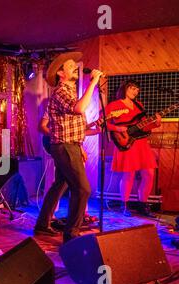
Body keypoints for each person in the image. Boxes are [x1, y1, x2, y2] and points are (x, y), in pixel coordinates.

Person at [33, 51, 103, 243]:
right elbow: (78, 109)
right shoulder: (61, 92)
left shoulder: (71, 93)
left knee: (60, 185)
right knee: (83, 189)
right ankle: (71, 235)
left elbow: (73, 127)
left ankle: (42, 225)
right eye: (70, 66)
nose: (75, 68)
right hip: (64, 146)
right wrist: (93, 83)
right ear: (61, 74)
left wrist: (84, 140)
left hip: (71, 145)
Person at [105, 80, 161, 217]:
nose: (135, 91)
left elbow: (143, 126)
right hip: (126, 143)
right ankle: (125, 206)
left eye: (137, 89)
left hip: (141, 143)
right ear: (124, 88)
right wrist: (117, 128)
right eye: (132, 88)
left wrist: (155, 124)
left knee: (149, 174)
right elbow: (103, 124)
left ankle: (143, 205)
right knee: (128, 175)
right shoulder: (114, 105)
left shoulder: (139, 105)